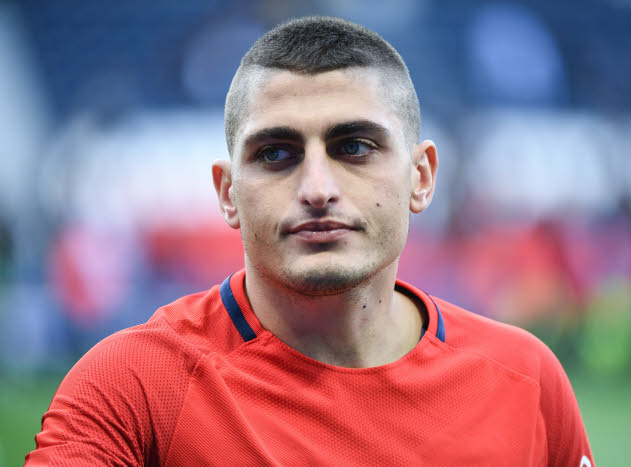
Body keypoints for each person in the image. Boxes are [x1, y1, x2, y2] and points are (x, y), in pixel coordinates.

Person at [26, 16, 594, 466]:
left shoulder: (528, 378)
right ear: (227, 193)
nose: (317, 189)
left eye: (355, 147)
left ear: (421, 178)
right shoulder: (135, 385)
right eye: (276, 153)